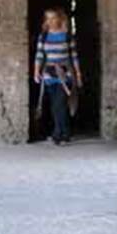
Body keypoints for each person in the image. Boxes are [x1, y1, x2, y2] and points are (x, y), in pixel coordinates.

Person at [33, 8, 82, 145]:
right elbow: (39, 55)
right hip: (49, 74)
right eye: (47, 18)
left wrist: (78, 74)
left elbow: (74, 56)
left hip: (65, 74)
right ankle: (65, 133)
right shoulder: (43, 36)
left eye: (53, 18)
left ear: (59, 19)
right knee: (55, 105)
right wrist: (36, 71)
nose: (50, 21)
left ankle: (57, 133)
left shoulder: (67, 36)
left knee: (59, 103)